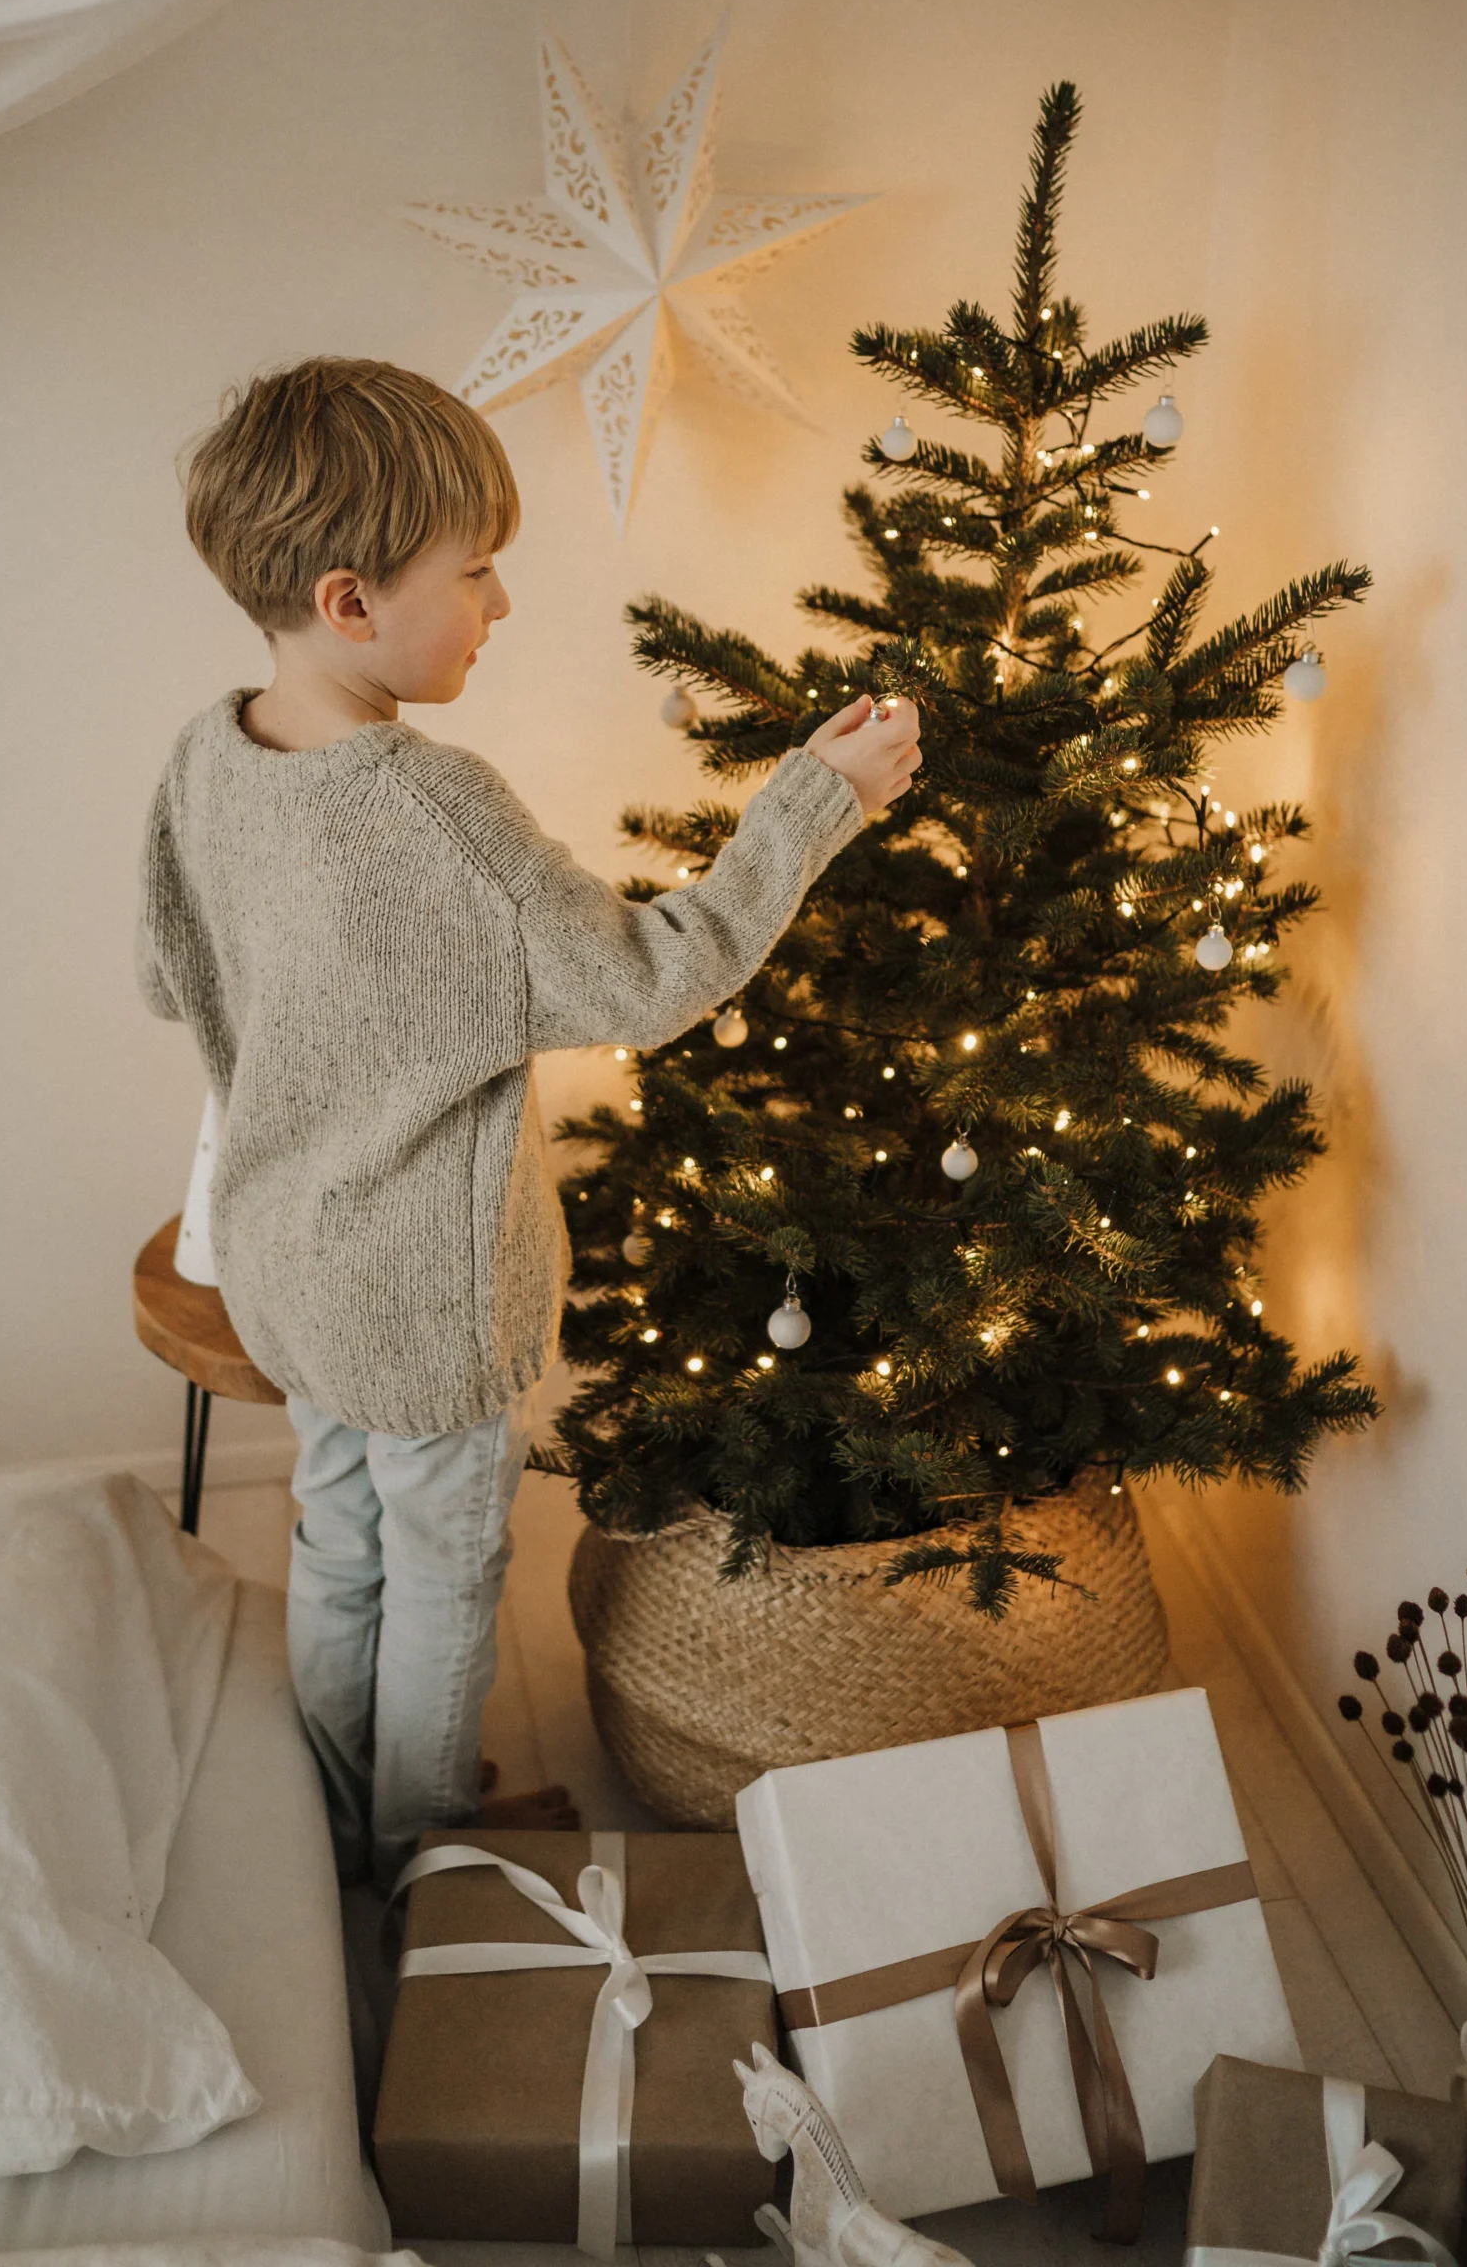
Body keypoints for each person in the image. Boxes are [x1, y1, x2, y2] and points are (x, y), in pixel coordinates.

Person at [135, 357, 921, 1888]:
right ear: (351, 599)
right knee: (443, 1568)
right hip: (417, 1297)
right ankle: (415, 1858)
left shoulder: (206, 753)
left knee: (335, 1536)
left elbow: (172, 974)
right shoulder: (432, 809)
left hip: (289, 1259)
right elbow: (653, 978)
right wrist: (810, 807)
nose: (501, 607)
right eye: (478, 572)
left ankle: (329, 1816)